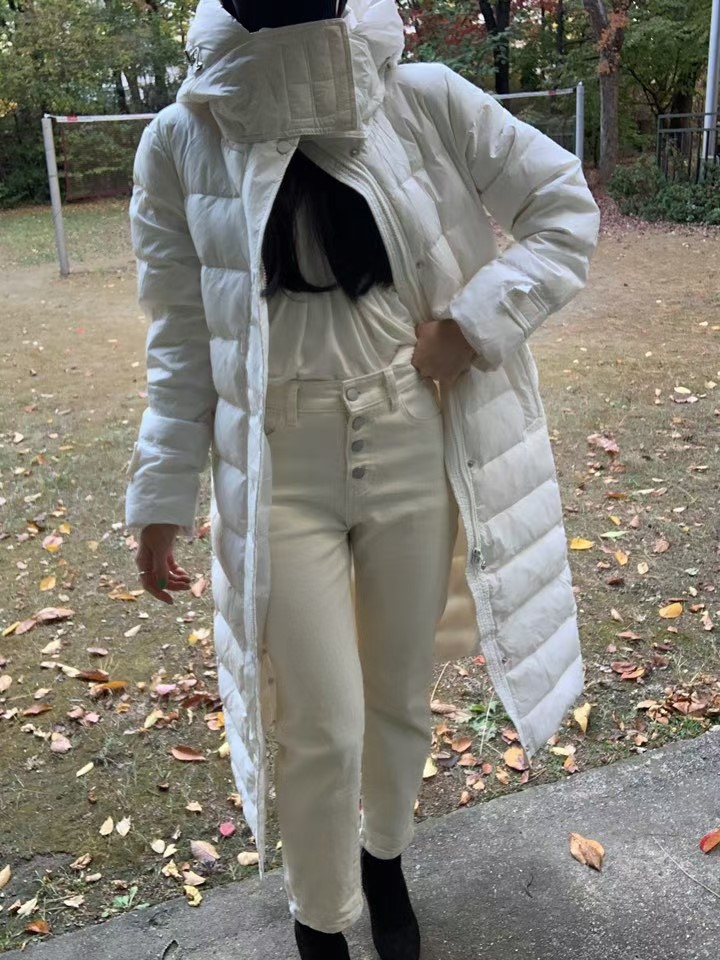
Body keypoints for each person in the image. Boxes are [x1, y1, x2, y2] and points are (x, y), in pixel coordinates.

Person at [125, 1, 600, 957]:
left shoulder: (420, 98)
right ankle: (321, 921)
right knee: (323, 723)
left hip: (408, 438)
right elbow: (181, 338)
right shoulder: (181, 140)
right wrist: (161, 496)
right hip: (278, 464)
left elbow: (564, 208)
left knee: (398, 693)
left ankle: (384, 857)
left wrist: (470, 325)